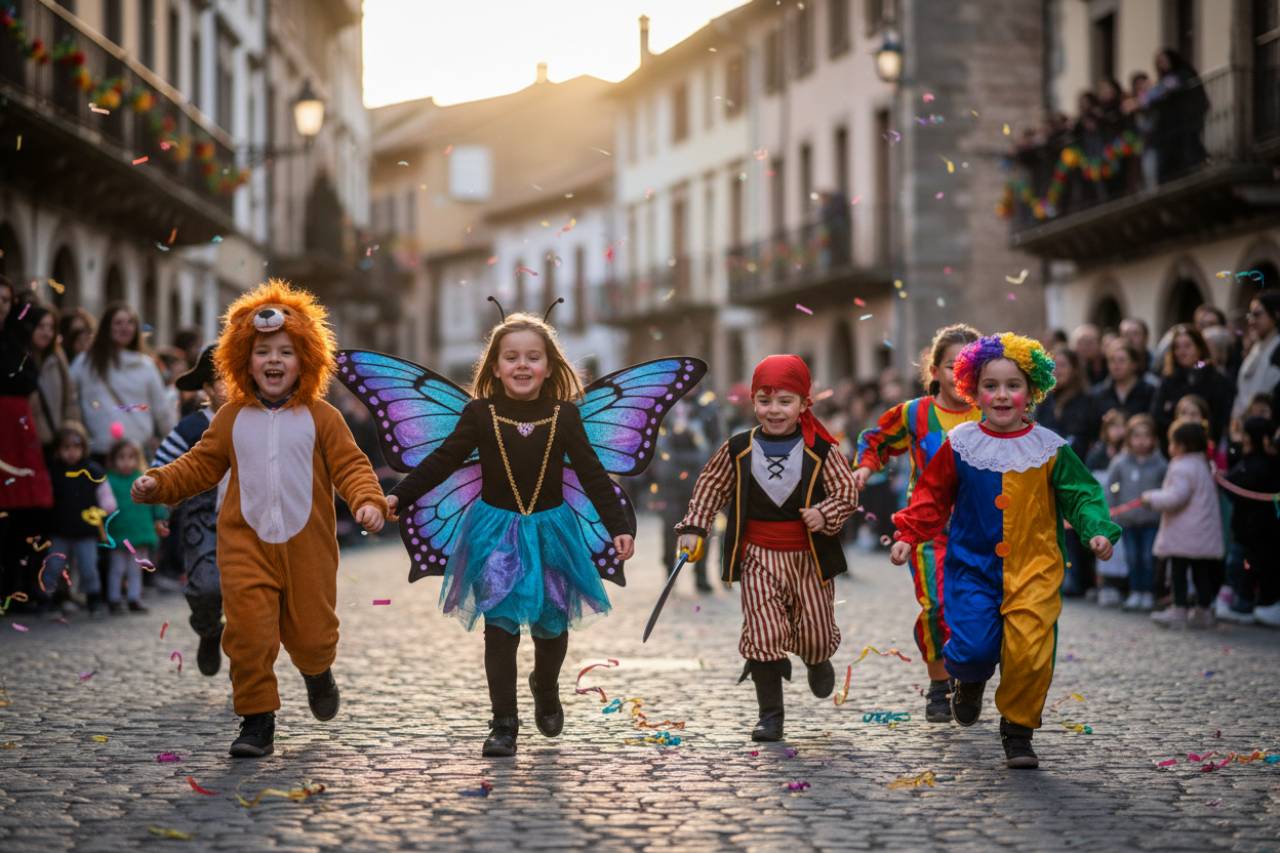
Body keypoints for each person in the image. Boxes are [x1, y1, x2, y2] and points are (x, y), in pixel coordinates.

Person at [132, 280, 388, 759]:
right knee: (247, 635)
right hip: (244, 544)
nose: (274, 360)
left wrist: (367, 502)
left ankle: (317, 672)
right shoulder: (231, 417)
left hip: (307, 547)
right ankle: (257, 721)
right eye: (262, 351)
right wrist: (160, 482)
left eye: (286, 351)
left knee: (313, 635)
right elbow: (200, 464)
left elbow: (352, 466)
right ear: (242, 359)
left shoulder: (323, 416)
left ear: (306, 359)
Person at [384, 310, 637, 759]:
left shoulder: (566, 416)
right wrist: (399, 497)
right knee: (499, 630)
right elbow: (442, 460)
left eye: (533, 357)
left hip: (553, 532)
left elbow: (593, 474)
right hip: (494, 534)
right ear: (495, 366)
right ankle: (503, 724)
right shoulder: (480, 413)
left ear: (550, 366)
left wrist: (618, 526)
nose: (522, 365)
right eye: (511, 357)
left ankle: (545, 684)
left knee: (552, 626)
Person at [890, 333, 1119, 769]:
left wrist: (1096, 530)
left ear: (1031, 391)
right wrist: (908, 534)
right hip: (973, 569)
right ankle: (970, 681)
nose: (1001, 395)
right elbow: (931, 496)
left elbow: (1081, 493)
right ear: (972, 391)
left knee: (1029, 653)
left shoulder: (1050, 447)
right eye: (990, 385)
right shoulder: (960, 444)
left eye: (1012, 385)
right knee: (974, 648)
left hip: (1035, 568)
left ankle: (1017, 731)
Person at [675, 354, 858, 743]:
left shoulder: (822, 450)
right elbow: (711, 487)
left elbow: (847, 491)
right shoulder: (739, 447)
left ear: (804, 404)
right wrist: (695, 526)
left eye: (784, 401)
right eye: (764, 400)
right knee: (762, 632)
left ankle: (817, 656)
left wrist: (825, 514)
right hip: (758, 555)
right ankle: (770, 716)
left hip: (809, 558)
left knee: (815, 631)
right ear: (753, 402)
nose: (773, 410)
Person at [852, 324, 981, 722]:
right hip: (927, 532)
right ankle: (940, 685)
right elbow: (876, 440)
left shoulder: (992, 411)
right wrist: (864, 468)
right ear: (935, 370)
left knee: (977, 613)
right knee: (938, 606)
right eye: (950, 366)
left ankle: (970, 681)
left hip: (983, 534)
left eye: (968, 366)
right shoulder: (915, 413)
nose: (958, 375)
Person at [150, 345, 229, 675]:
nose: (233, 385)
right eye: (223, 380)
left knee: (251, 597)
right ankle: (209, 630)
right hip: (203, 517)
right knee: (205, 587)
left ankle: (248, 663)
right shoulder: (192, 426)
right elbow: (161, 467)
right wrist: (157, 497)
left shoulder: (259, 420)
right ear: (208, 388)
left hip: (252, 517)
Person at [0, 280, 54, 606]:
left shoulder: (17, 338)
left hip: (18, 433)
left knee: (25, 513)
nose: (1, 306)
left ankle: (18, 587)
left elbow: (26, 377)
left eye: (6, 300)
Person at [1143, 419, 1224, 629]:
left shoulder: (1181, 467)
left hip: (1185, 533)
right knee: (1201, 572)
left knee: (1179, 572)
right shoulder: (1202, 464)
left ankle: (1178, 609)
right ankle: (1203, 611)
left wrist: (1151, 498)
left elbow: (1175, 498)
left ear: (1181, 445)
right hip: (1201, 532)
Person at [71, 302, 175, 460]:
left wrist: (172, 444)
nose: (124, 328)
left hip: (137, 452)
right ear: (107, 327)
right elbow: (71, 401)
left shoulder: (146, 365)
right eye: (118, 323)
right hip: (99, 450)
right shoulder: (85, 363)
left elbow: (162, 411)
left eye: (130, 322)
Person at [43, 423, 116, 617]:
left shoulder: (93, 470)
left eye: (76, 447)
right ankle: (51, 600)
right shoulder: (53, 472)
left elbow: (106, 495)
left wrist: (105, 507)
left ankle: (94, 600)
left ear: (83, 448)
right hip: (59, 530)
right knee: (53, 567)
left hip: (86, 532)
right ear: (58, 450)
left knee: (88, 567)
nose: (71, 452)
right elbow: (46, 496)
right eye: (66, 448)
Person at [1221, 416, 1280, 627]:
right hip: (1251, 529)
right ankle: (1252, 602)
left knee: (1249, 568)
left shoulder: (1259, 465)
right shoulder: (1258, 461)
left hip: (1256, 530)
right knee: (1247, 567)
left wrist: (1222, 479)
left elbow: (1235, 482)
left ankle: (1248, 603)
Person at [1106, 414, 1167, 612]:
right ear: (1129, 438)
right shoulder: (1120, 462)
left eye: (1146, 436)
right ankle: (1135, 591)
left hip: (1151, 520)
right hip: (1127, 521)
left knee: (1148, 558)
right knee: (1132, 557)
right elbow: (1111, 487)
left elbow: (1166, 488)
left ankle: (1148, 592)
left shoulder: (1160, 464)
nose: (1141, 441)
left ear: (1154, 439)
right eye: (1136, 436)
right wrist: (1111, 510)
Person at [103, 439, 167, 614]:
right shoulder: (109, 481)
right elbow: (103, 505)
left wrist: (160, 518)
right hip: (119, 533)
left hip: (139, 534)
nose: (126, 462)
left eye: (131, 457)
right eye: (121, 457)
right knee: (117, 568)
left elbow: (156, 501)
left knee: (135, 569)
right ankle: (114, 599)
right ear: (113, 459)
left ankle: (134, 598)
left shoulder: (143, 479)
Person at [1151, 324, 1234, 451]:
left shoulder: (1214, 377)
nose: (1182, 351)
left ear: (1199, 348)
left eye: (1187, 346)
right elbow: (1158, 414)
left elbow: (1221, 416)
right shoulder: (1168, 379)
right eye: (1177, 347)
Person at [1143, 48, 1210, 182]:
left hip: (1184, 123)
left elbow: (1165, 90)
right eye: (1159, 62)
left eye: (1163, 61)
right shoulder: (1165, 80)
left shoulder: (1183, 74)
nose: (1161, 65)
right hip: (1170, 128)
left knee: (1188, 152)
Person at [25, 303, 80, 453]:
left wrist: (70, 432)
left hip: (58, 444)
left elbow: (70, 397)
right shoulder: (20, 360)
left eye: (51, 328)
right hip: (30, 442)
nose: (46, 333)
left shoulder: (57, 358)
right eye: (41, 326)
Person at [1232, 294, 1280, 423]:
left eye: (1257, 315)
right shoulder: (1255, 349)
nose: (1251, 321)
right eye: (1250, 315)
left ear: (1276, 314)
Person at [1093, 340, 1155, 420]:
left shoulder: (1149, 392)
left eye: (1121, 360)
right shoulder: (1098, 394)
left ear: (1134, 364)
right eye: (1112, 360)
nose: (1116, 365)